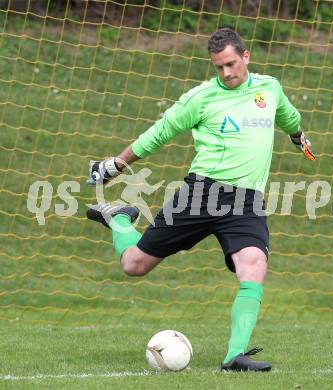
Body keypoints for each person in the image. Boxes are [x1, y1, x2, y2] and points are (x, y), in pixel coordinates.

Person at [86, 28, 315, 372]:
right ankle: (119, 218)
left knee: (253, 264)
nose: (226, 72)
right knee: (134, 265)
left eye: (231, 64)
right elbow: (160, 133)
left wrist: (298, 136)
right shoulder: (201, 97)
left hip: (247, 201)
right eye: (219, 67)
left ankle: (235, 357)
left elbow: (288, 116)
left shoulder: (269, 88)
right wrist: (116, 165)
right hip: (203, 194)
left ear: (246, 56)